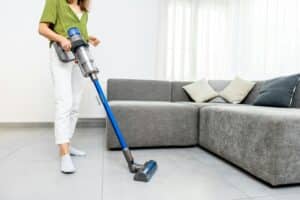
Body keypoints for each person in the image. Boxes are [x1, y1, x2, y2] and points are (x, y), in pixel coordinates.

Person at [38, 0, 100, 174]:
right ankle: (64, 155)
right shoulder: (55, 1)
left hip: (79, 55)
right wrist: (60, 38)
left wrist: (89, 38)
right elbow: (42, 28)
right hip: (61, 55)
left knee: (75, 104)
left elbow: (78, 35)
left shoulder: (83, 8)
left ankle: (67, 144)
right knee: (64, 102)